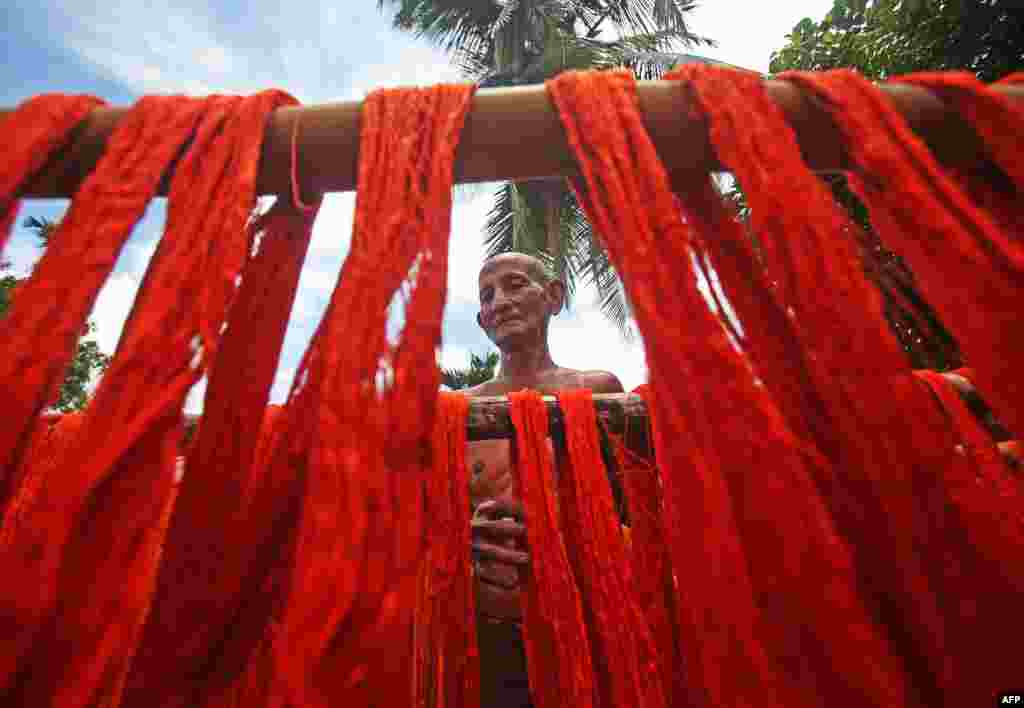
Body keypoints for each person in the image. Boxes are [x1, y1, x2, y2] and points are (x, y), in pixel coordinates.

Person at [461, 252, 623, 708]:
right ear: (480, 320)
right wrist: (461, 539)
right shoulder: (456, 411)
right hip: (485, 629)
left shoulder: (596, 390)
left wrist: (565, 533)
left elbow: (638, 510)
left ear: (553, 296)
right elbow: (425, 517)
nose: (500, 302)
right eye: (487, 296)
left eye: (515, 285)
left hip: (582, 623)